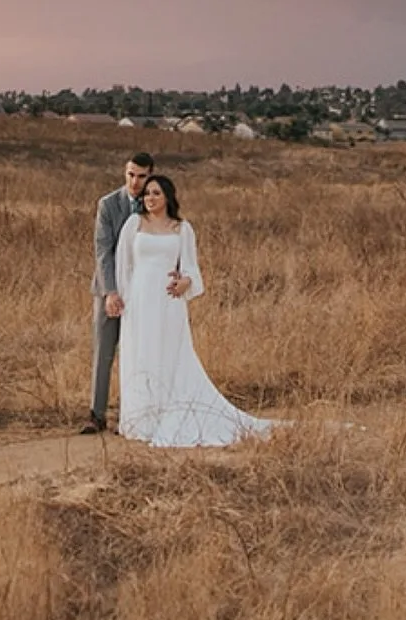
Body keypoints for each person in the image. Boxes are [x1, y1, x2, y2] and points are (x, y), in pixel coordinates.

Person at [113, 173, 270, 447]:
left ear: (168, 197)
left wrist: (186, 281)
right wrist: (122, 298)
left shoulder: (182, 228)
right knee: (140, 353)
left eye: (156, 193)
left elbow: (191, 269)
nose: (150, 198)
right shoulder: (134, 223)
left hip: (168, 300)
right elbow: (123, 264)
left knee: (169, 353)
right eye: (147, 193)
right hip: (139, 299)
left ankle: (169, 412)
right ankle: (140, 420)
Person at [81, 153, 154, 433]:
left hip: (142, 291)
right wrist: (110, 292)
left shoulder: (155, 203)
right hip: (109, 289)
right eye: (130, 174)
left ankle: (132, 415)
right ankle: (96, 415)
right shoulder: (109, 204)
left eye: (141, 176)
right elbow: (103, 251)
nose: (135, 181)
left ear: (150, 176)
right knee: (103, 352)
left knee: (137, 353)